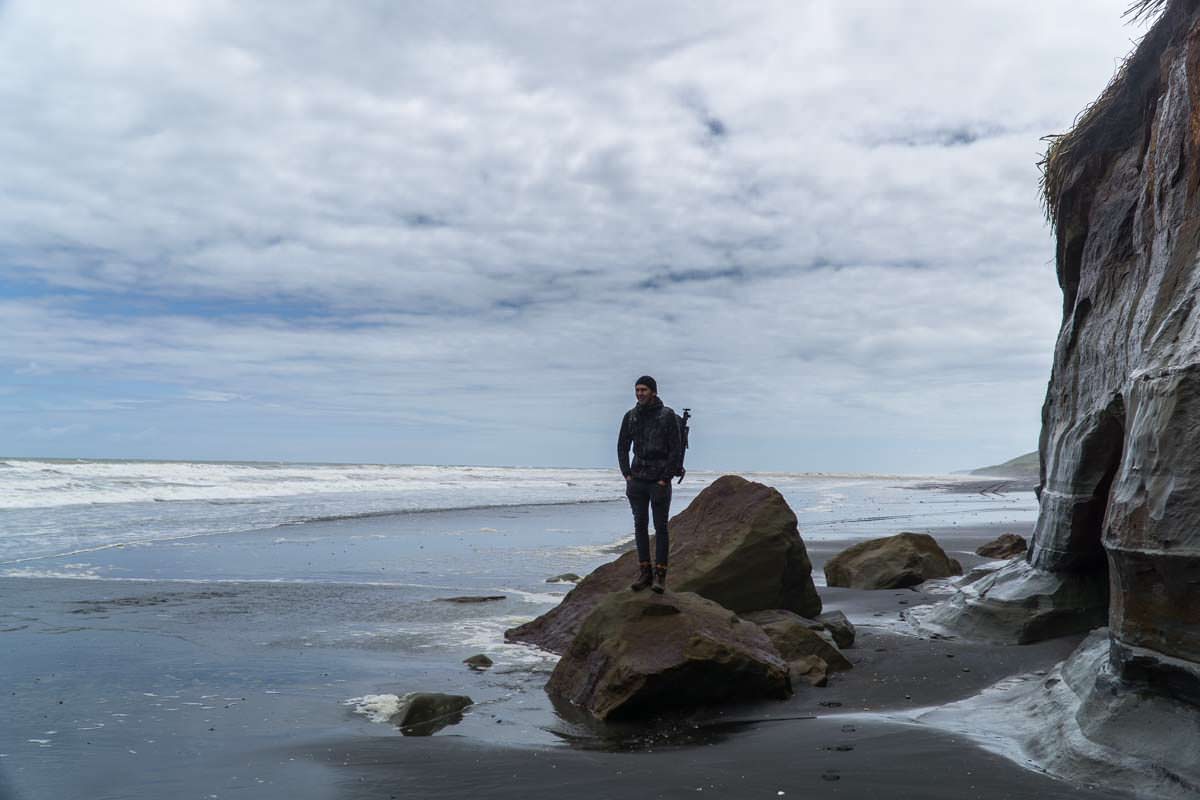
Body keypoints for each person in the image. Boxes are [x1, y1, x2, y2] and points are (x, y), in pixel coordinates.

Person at [617, 375, 683, 593]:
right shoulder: (631, 416)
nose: (639, 393)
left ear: (653, 391)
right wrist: (627, 473)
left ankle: (660, 576)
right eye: (637, 390)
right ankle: (644, 572)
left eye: (644, 390)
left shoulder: (668, 416)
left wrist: (666, 478)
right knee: (639, 526)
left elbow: (676, 449)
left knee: (661, 527)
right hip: (637, 480)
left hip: (659, 481)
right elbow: (622, 446)